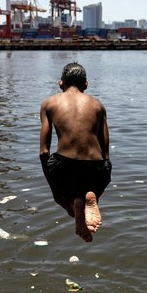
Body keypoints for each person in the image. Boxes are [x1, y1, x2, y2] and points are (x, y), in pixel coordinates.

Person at [39, 62, 112, 242]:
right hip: (95, 169)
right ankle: (90, 195)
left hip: (64, 166)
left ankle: (74, 205)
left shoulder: (49, 103)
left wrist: (54, 189)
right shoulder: (98, 105)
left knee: (67, 196)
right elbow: (105, 153)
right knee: (98, 174)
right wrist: (102, 178)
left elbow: (43, 151)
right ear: (86, 84)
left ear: (60, 83)